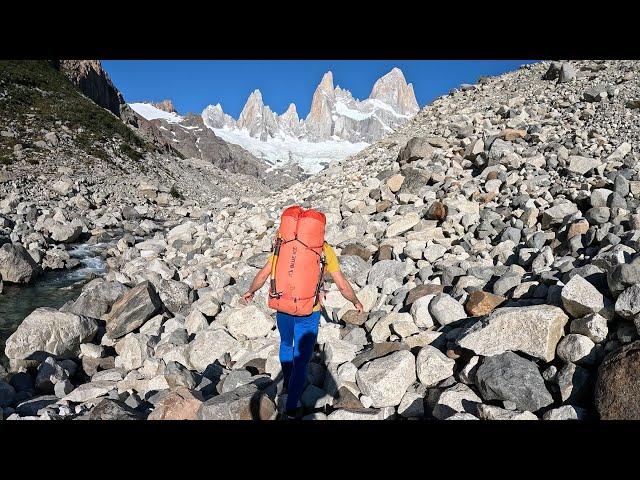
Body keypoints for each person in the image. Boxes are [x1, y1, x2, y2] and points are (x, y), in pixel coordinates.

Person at [242, 239, 363, 419]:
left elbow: (263, 275)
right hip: (309, 311)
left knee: (285, 344)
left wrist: (251, 291)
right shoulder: (323, 247)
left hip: (283, 308)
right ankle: (291, 407)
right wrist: (355, 301)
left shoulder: (284, 245)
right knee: (302, 360)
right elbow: (342, 284)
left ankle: (287, 382)